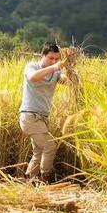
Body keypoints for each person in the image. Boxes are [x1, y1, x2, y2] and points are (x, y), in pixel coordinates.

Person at [19, 42, 66, 182]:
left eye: (57, 59)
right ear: (42, 55)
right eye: (50, 58)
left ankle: (28, 180)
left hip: (43, 118)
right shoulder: (32, 67)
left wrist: (69, 68)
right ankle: (45, 179)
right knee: (50, 146)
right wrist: (53, 67)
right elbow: (33, 77)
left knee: (39, 151)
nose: (54, 61)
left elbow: (66, 81)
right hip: (29, 117)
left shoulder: (56, 72)